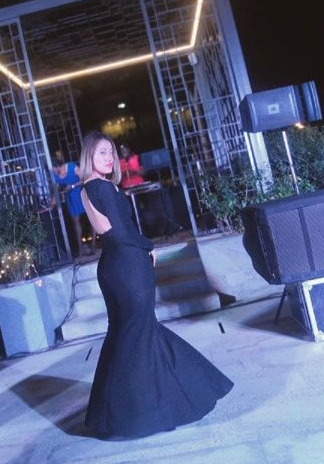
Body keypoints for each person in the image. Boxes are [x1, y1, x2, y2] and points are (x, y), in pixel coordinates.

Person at [80, 131, 233, 438]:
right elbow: (121, 232)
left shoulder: (86, 189)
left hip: (112, 267)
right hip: (128, 265)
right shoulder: (103, 187)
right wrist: (148, 245)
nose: (109, 158)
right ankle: (148, 410)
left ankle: (120, 413)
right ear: (88, 157)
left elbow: (111, 234)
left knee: (127, 335)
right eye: (102, 153)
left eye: (111, 152)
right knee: (139, 334)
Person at [52, 157, 95, 258]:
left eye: (53, 168)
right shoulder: (55, 176)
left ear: (56, 166)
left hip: (81, 193)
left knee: (92, 219)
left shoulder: (71, 167)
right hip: (71, 198)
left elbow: (84, 179)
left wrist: (72, 186)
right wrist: (52, 203)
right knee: (76, 223)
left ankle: (93, 245)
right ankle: (80, 248)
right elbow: (55, 190)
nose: (53, 171)